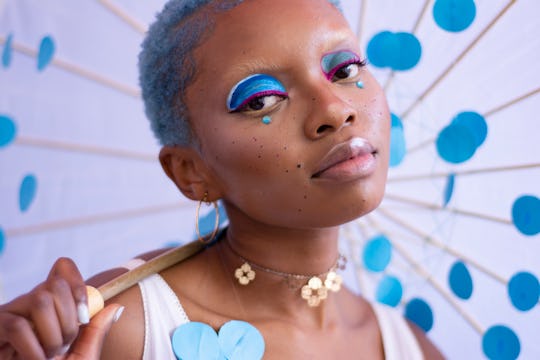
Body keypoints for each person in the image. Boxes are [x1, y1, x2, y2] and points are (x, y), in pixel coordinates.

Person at [0, 0, 445, 358]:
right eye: (261, 100)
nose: (334, 109)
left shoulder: (411, 348)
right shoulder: (116, 329)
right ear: (191, 172)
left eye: (345, 70)